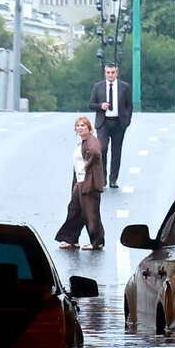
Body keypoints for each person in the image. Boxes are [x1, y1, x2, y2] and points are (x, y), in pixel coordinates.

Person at [55, 116, 106, 251]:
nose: (80, 128)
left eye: (83, 125)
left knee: (91, 214)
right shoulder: (84, 142)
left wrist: (87, 165)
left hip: (89, 184)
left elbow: (95, 152)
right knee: (74, 210)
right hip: (80, 182)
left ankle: (97, 242)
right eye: (78, 126)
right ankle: (71, 239)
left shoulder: (92, 141)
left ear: (89, 128)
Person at [89, 62, 132, 189]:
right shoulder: (98, 86)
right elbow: (91, 104)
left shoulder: (124, 87)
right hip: (103, 122)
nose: (110, 75)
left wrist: (126, 120)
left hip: (119, 122)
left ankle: (113, 179)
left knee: (116, 152)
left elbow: (129, 105)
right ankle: (102, 178)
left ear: (116, 73)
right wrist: (100, 106)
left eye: (113, 73)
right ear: (105, 73)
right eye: (108, 73)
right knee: (102, 149)